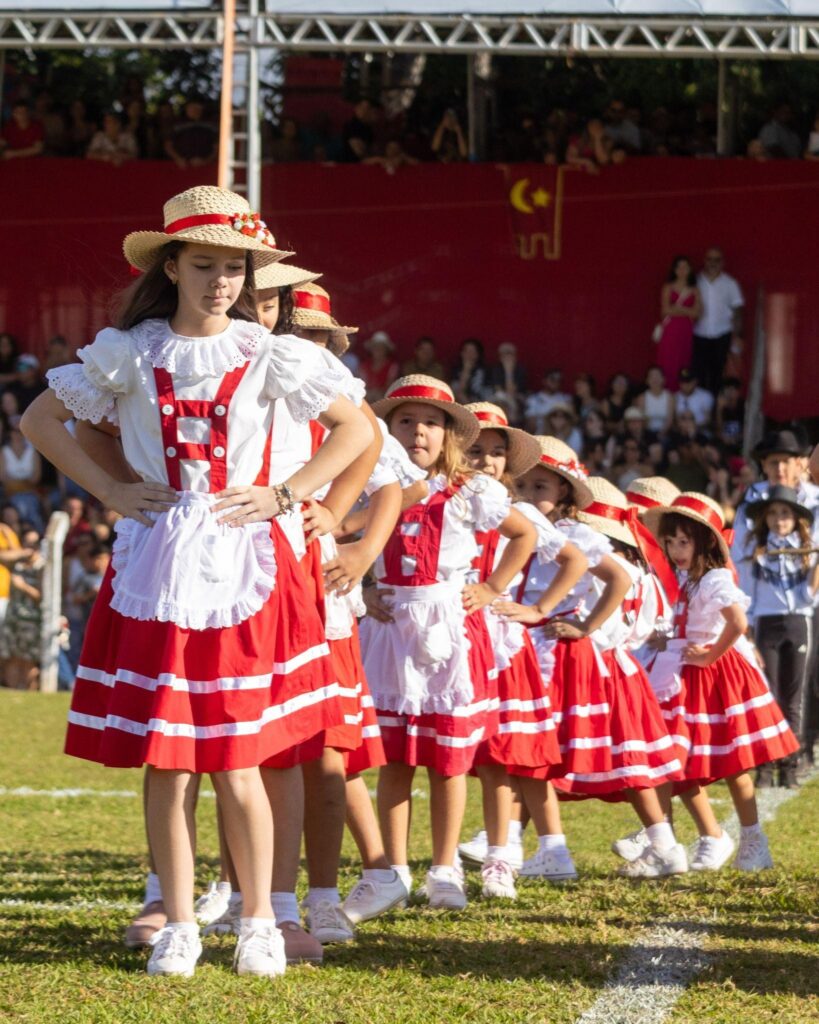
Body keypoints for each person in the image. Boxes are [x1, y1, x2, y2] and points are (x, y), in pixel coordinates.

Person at [21, 184, 372, 979]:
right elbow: (41, 420)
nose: (221, 281)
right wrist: (109, 492)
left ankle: (256, 920)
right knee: (170, 755)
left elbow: (356, 427)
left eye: (235, 268)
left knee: (241, 753)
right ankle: (179, 921)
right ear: (172, 265)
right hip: (161, 556)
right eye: (205, 264)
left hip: (249, 556)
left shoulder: (271, 350)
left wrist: (288, 494)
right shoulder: (129, 349)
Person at [360, 376, 536, 909]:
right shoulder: (371, 481)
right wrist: (366, 587)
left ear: (449, 435)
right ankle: (391, 870)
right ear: (387, 430)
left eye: (431, 423)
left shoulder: (471, 489)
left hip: (445, 631)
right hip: (389, 629)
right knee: (393, 760)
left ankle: (444, 868)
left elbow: (524, 533)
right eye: (406, 421)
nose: (418, 432)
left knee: (449, 758)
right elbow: (342, 536)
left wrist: (491, 587)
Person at [462, 403, 585, 899]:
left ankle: (499, 856)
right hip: (441, 635)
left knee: (499, 755)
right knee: (442, 753)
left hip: (498, 642)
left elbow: (574, 560)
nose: (487, 461)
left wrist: (538, 611)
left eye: (496, 453)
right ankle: (424, 867)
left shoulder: (522, 513)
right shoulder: (438, 497)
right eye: (476, 450)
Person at [643, 493, 800, 870]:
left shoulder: (713, 578)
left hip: (718, 677)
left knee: (734, 765)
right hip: (684, 677)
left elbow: (738, 623)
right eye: (671, 541)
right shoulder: (682, 577)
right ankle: (705, 839)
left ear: (706, 541)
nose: (677, 550)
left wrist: (710, 655)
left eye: (685, 541)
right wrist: (663, 641)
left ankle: (753, 838)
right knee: (680, 762)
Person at [740, 486, 819, 788]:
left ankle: (790, 764)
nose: (779, 519)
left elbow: (806, 596)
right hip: (765, 622)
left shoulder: (807, 547)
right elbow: (747, 589)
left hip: (798, 621)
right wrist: (747, 632)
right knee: (767, 695)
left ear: (796, 518)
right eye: (773, 513)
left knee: (793, 698)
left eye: (785, 513)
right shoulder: (757, 547)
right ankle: (764, 765)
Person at [692, 248, 744, 395]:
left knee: (719, 373)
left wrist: (737, 336)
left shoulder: (730, 283)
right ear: (704, 261)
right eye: (710, 259)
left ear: (722, 262)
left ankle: (716, 410)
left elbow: (737, 311)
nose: (713, 263)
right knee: (699, 373)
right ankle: (702, 411)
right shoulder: (696, 281)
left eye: (717, 260)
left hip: (722, 334)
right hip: (699, 333)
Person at [0, 525, 44, 689]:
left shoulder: (42, 566)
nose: (29, 548)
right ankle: (13, 692)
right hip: (13, 617)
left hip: (31, 621)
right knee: (11, 657)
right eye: (26, 544)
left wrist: (23, 587)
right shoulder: (16, 564)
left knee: (27, 659)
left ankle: (26, 691)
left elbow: (44, 597)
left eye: (33, 544)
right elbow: (3, 556)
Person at [657, 256, 701, 390]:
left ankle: (682, 390)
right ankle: (666, 389)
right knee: (668, 359)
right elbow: (665, 310)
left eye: (685, 267)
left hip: (686, 329)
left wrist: (678, 308)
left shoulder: (694, 290)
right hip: (670, 328)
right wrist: (687, 310)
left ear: (690, 270)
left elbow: (696, 313)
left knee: (684, 358)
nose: (682, 270)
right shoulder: (668, 287)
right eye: (679, 267)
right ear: (674, 270)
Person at [0, 421, 43, 533]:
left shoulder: (32, 452)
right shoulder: (3, 452)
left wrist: (17, 482)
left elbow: (36, 478)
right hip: (10, 493)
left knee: (29, 504)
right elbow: (2, 478)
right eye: (15, 431)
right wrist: (23, 482)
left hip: (29, 492)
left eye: (21, 431)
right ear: (10, 433)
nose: (18, 434)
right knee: (21, 505)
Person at [164, 96, 217, 168]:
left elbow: (217, 146)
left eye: (197, 108)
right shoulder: (177, 124)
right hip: (182, 167)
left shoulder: (211, 125)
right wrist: (178, 159)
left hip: (207, 168)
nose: (194, 110)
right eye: (191, 108)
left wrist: (207, 161)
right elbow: (168, 145)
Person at [524, 368, 571, 435]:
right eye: (552, 379)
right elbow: (531, 425)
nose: (555, 383)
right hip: (540, 436)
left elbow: (570, 423)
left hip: (562, 437)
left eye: (558, 380)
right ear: (544, 381)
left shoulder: (566, 399)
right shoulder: (534, 399)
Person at [359, 331, 400, 403]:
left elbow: (389, 387)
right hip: (366, 399)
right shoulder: (364, 365)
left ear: (386, 350)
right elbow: (361, 385)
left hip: (383, 400)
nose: (377, 350)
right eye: (375, 347)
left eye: (381, 348)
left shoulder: (392, 366)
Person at [635, 366, 674, 437]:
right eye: (652, 376)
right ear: (647, 380)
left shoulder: (669, 397)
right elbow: (641, 419)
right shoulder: (642, 397)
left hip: (665, 432)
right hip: (647, 433)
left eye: (657, 376)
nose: (655, 379)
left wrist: (661, 434)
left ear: (663, 379)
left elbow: (670, 419)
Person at [450, 338, 489, 405]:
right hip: (461, 404)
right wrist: (466, 370)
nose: (469, 354)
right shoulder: (455, 370)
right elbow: (458, 392)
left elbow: (487, 392)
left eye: (472, 351)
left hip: (481, 401)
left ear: (477, 354)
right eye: (466, 351)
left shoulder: (485, 370)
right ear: (462, 353)